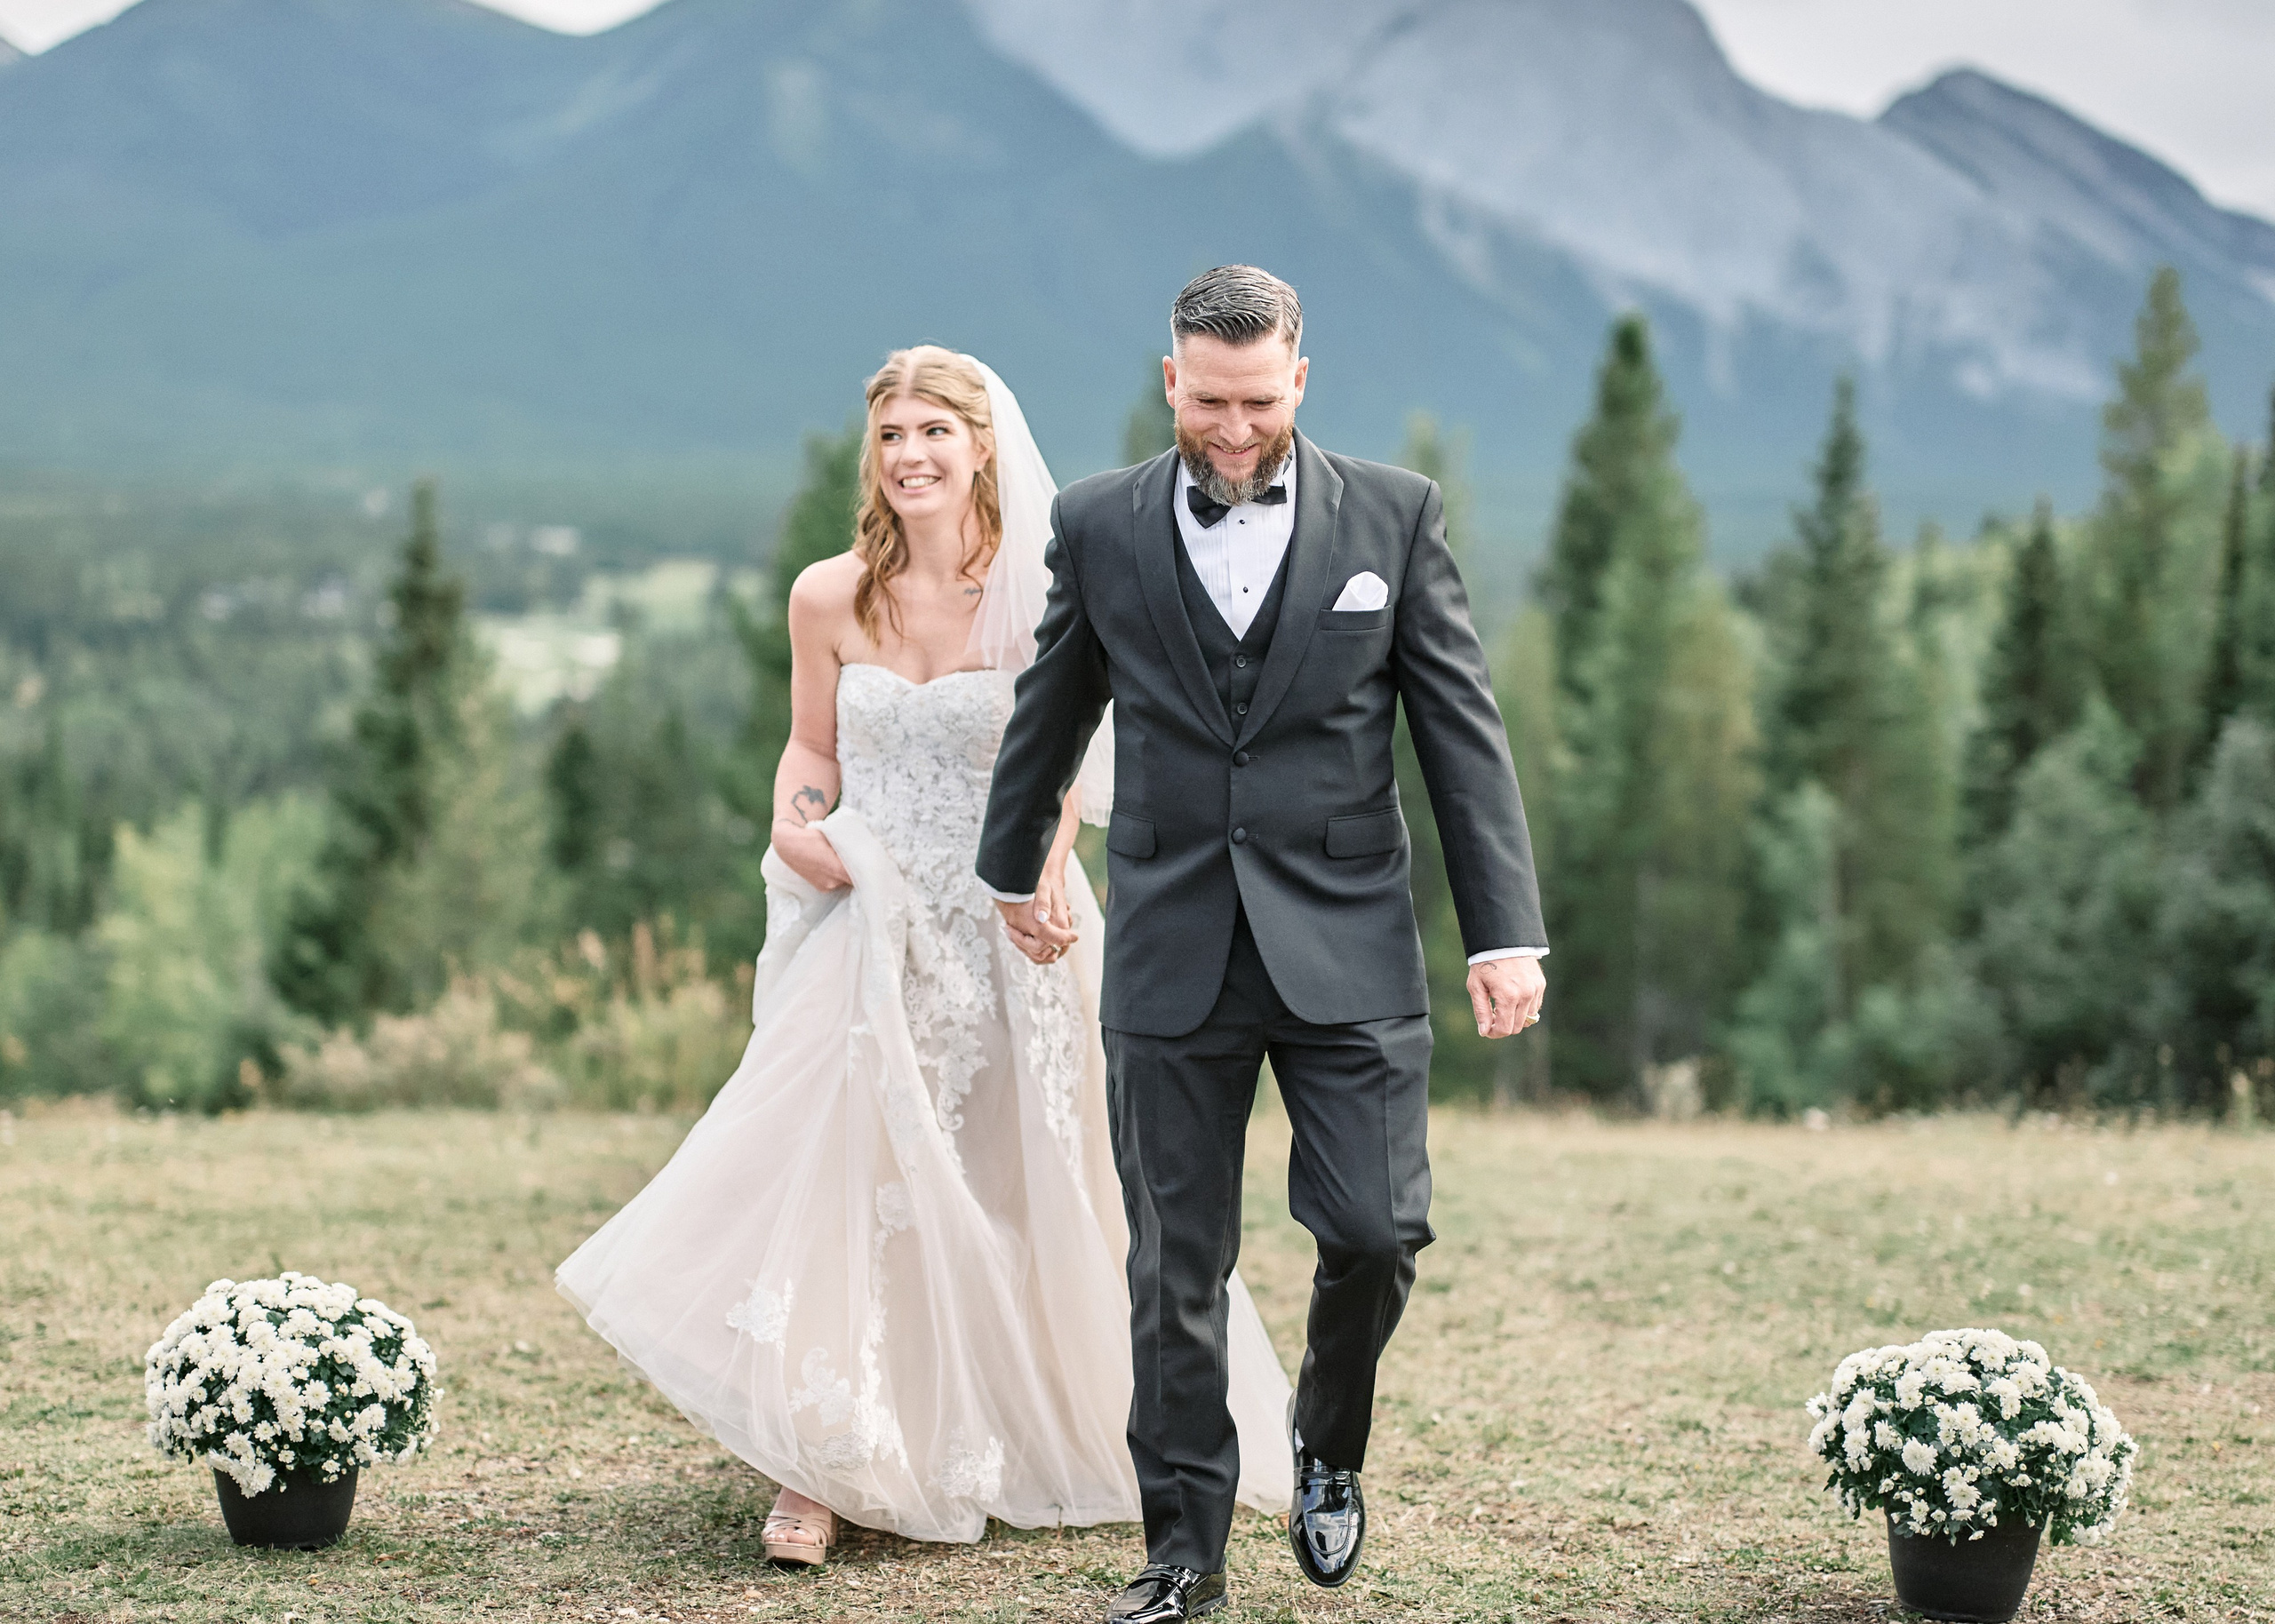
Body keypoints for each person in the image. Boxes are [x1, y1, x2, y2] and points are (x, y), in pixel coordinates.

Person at [556, 346, 1292, 1568]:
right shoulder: (826, 596)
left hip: (1005, 919)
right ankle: (817, 1467)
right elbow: (808, 751)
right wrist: (797, 829)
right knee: (845, 1163)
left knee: (1016, 1178)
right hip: (866, 916)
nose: (910, 455)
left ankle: (994, 1421)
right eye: (892, 434)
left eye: (934, 432)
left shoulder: (1045, 589)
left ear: (981, 444)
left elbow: (1065, 752)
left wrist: (1044, 867)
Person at [978, 267, 1549, 1622]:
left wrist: (1504, 932)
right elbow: (1052, 702)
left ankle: (1326, 1442)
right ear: (1172, 380)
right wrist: (1011, 864)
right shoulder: (1101, 524)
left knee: (1376, 1231)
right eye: (1207, 402)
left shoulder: (1394, 519)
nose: (1232, 430)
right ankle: (1185, 1554)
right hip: (1174, 940)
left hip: (1347, 942)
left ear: (1300, 378)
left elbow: (1460, 737)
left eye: (1256, 402)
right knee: (1176, 1261)